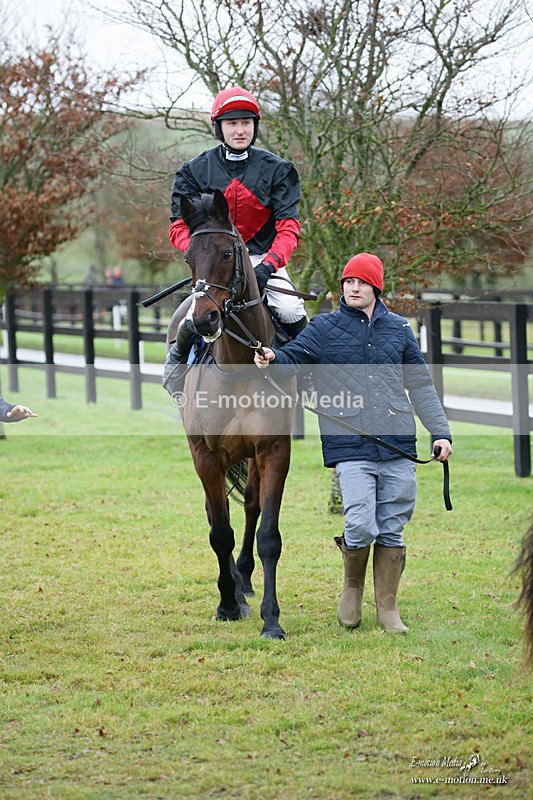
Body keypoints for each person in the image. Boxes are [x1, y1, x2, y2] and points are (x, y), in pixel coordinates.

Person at [254, 252, 452, 633]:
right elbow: (294, 355)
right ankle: (352, 588)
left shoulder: (398, 329)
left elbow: (421, 385)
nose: (353, 287)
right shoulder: (325, 327)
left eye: (360, 282)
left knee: (393, 525)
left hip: (398, 442)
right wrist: (272, 356)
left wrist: (440, 432)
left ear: (375, 287)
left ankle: (388, 609)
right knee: (360, 523)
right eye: (348, 282)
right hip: (350, 444)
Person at [163, 86, 307, 394]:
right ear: (219, 127)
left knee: (292, 310)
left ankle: (305, 377)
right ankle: (175, 370)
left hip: (262, 258)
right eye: (232, 123)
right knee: (192, 314)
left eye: (245, 122)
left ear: (255, 127)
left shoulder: (278, 171)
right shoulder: (193, 172)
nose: (239, 130)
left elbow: (289, 229)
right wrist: (202, 255)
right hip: (214, 263)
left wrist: (269, 266)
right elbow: (178, 227)